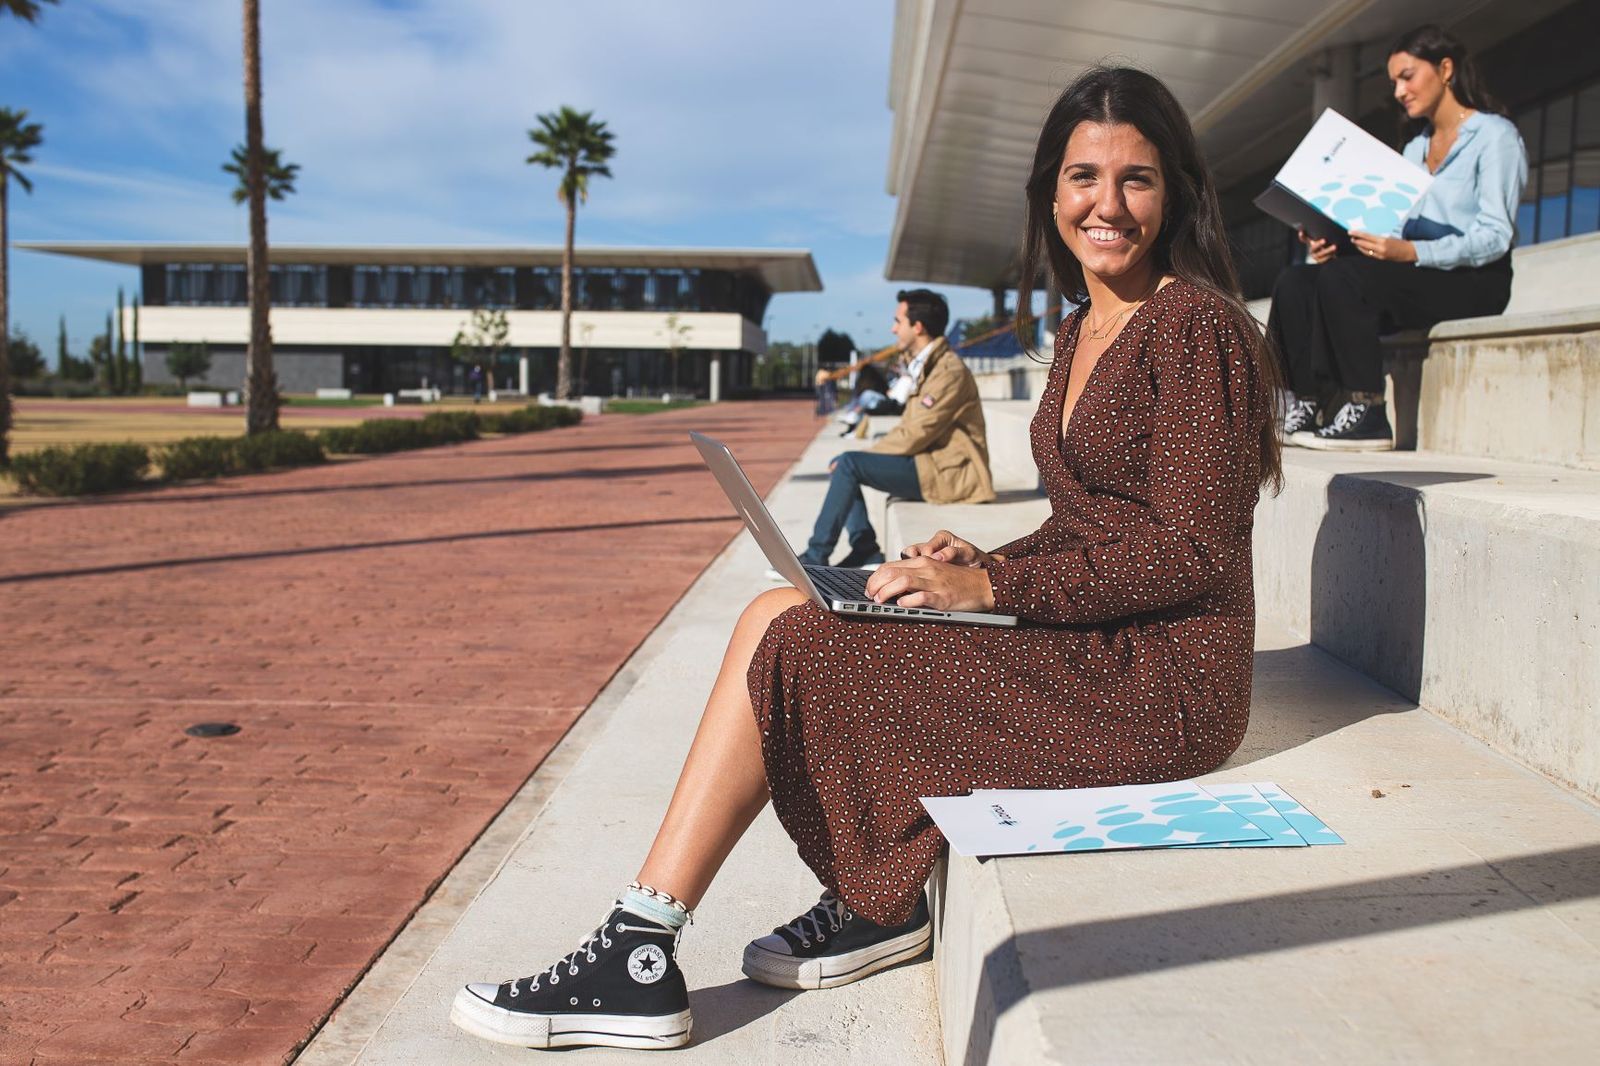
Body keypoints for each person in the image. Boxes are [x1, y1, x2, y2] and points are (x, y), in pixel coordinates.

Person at [451, 65, 1281, 1052]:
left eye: (1134, 179)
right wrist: (980, 554)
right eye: (1081, 177)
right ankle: (688, 928)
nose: (1105, 204)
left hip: (1159, 679)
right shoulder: (1081, 327)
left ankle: (665, 949)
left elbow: (1188, 549)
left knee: (807, 642)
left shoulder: (1195, 326)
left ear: (1177, 190)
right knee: (774, 609)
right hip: (1097, 631)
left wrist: (994, 586)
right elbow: (1098, 520)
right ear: (1048, 193)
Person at [1269, 24, 1527, 450]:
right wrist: (1336, 242)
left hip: (1475, 279)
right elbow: (1389, 231)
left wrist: (1411, 251)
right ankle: (1311, 405)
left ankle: (1367, 412)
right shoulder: (1413, 149)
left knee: (1347, 280)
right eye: (1394, 82)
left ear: (1445, 69)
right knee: (1296, 281)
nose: (1400, 90)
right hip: (1413, 272)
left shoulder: (1496, 137)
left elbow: (1496, 235)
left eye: (1407, 76)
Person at [793, 289, 994, 569]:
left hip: (951, 473)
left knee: (848, 464)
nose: (893, 329)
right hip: (932, 463)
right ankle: (864, 549)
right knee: (843, 464)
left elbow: (915, 433)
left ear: (918, 327)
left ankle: (814, 559)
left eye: (898, 321)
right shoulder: (930, 366)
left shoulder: (949, 371)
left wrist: (864, 456)